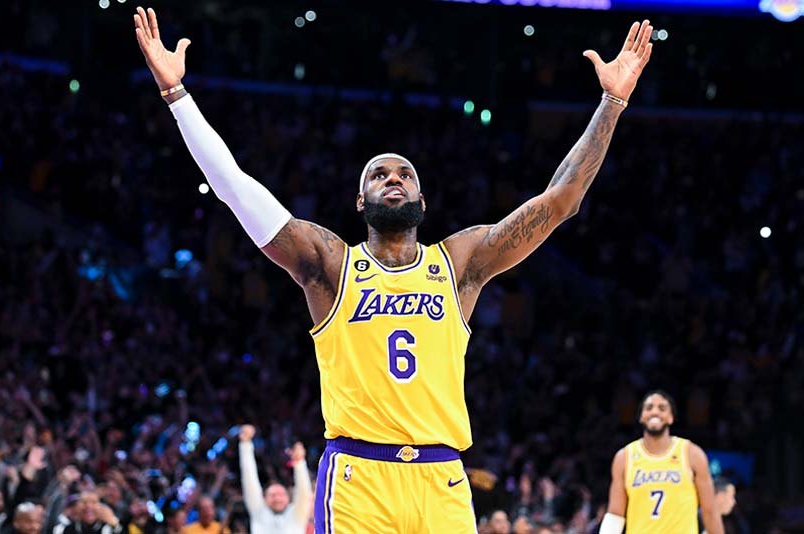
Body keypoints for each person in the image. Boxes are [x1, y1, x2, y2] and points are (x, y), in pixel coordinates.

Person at [132, 7, 654, 532]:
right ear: (360, 201)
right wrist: (178, 97)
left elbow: (560, 200)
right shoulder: (330, 264)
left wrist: (611, 102)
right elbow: (235, 187)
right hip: (359, 477)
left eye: (404, 172)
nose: (393, 178)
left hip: (443, 478)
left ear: (422, 197)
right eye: (378, 174)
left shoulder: (460, 263)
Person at [603, 390, 722, 534]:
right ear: (641, 417)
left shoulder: (692, 454)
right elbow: (615, 514)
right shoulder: (624, 457)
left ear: (671, 418)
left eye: (662, 408)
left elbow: (709, 511)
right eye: (649, 408)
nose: (655, 412)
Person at [236, 426, 311, 534]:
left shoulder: (296, 514)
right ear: (264, 498)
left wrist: (299, 462)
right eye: (272, 495)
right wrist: (245, 444)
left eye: (280, 494)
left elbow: (304, 492)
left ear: (288, 499)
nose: (277, 499)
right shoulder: (259, 512)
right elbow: (249, 479)